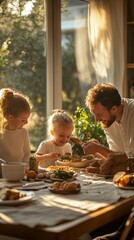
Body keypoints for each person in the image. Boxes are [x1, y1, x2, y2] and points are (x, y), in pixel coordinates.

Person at [82, 83, 134, 158]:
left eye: (99, 115)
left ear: (114, 109)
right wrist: (97, 150)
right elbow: (117, 158)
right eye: (94, 115)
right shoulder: (108, 121)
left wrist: (99, 149)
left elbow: (130, 160)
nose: (96, 120)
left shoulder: (132, 115)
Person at [0, 88, 32, 175]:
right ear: (11, 118)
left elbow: (26, 154)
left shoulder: (24, 133)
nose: (26, 122)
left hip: (20, 175)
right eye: (23, 120)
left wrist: (25, 167)